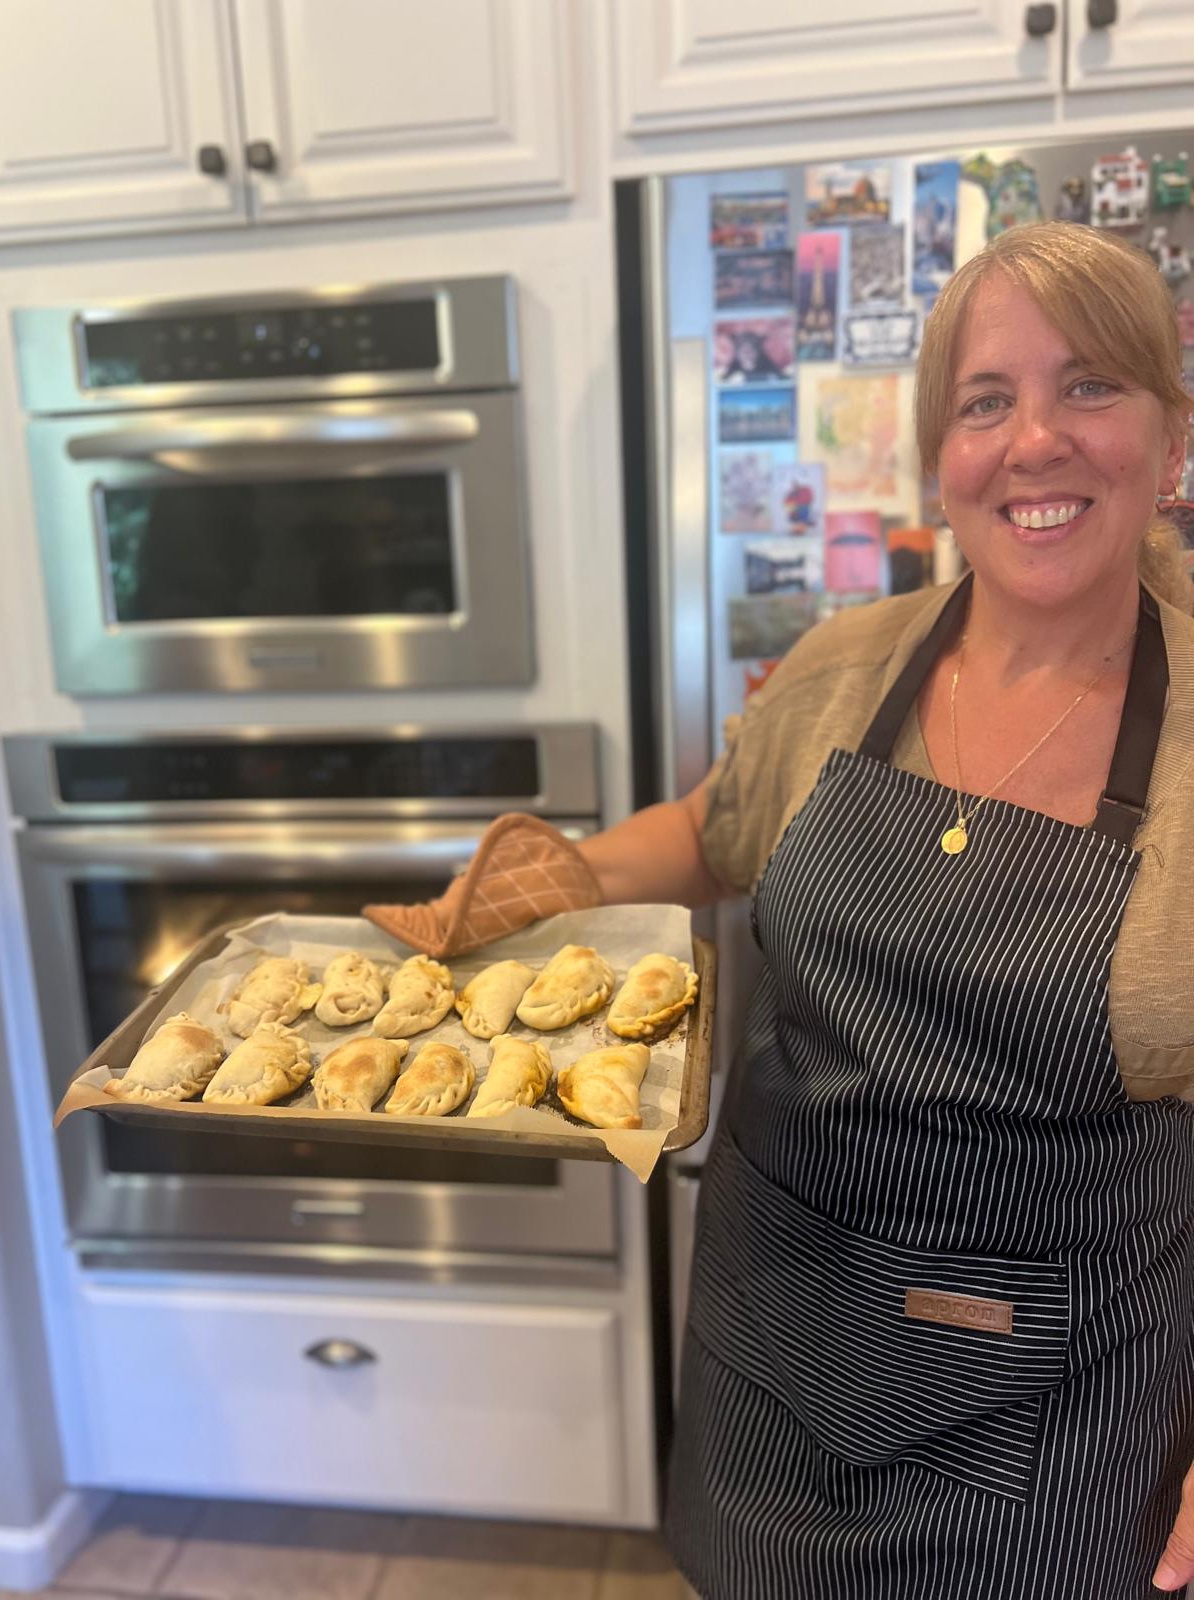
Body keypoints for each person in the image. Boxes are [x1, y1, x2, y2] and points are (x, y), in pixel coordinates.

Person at [365, 222, 1194, 1598]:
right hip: (776, 1328)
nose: (1034, 441)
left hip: (1058, 1405)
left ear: (1169, 439)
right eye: (986, 401)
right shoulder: (846, 668)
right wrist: (534, 891)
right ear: (943, 456)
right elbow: (711, 831)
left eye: (1091, 385)